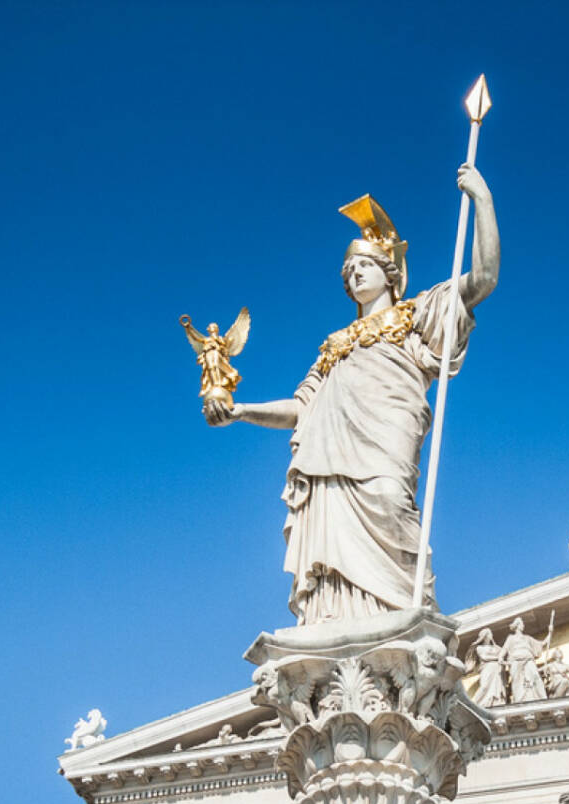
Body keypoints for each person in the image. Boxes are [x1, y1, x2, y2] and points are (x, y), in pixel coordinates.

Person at [205, 169, 499, 623]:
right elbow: (302, 408)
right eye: (350, 269)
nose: (355, 272)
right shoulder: (335, 345)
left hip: (385, 440)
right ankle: (339, 624)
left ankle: (409, 617)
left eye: (365, 265)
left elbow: (482, 278)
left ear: (390, 274)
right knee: (331, 550)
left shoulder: (417, 315)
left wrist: (482, 199)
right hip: (331, 458)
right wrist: (241, 410)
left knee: (388, 502)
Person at [500, 617, 547, 703]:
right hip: (516, 662)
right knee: (517, 681)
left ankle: (540, 698)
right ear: (517, 625)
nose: (523, 626)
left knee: (535, 677)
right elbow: (504, 650)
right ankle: (519, 700)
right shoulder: (511, 638)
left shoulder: (527, 638)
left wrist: (550, 632)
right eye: (522, 624)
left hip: (528, 660)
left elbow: (542, 643)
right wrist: (501, 658)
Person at [464, 627, 506, 709]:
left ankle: (496, 702)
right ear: (485, 636)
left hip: (496, 669)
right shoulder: (480, 648)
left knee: (497, 686)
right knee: (484, 686)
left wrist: (498, 650)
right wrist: (498, 658)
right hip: (487, 668)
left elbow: (503, 653)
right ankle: (476, 704)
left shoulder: (495, 647)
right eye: (490, 634)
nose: (492, 635)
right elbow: (485, 657)